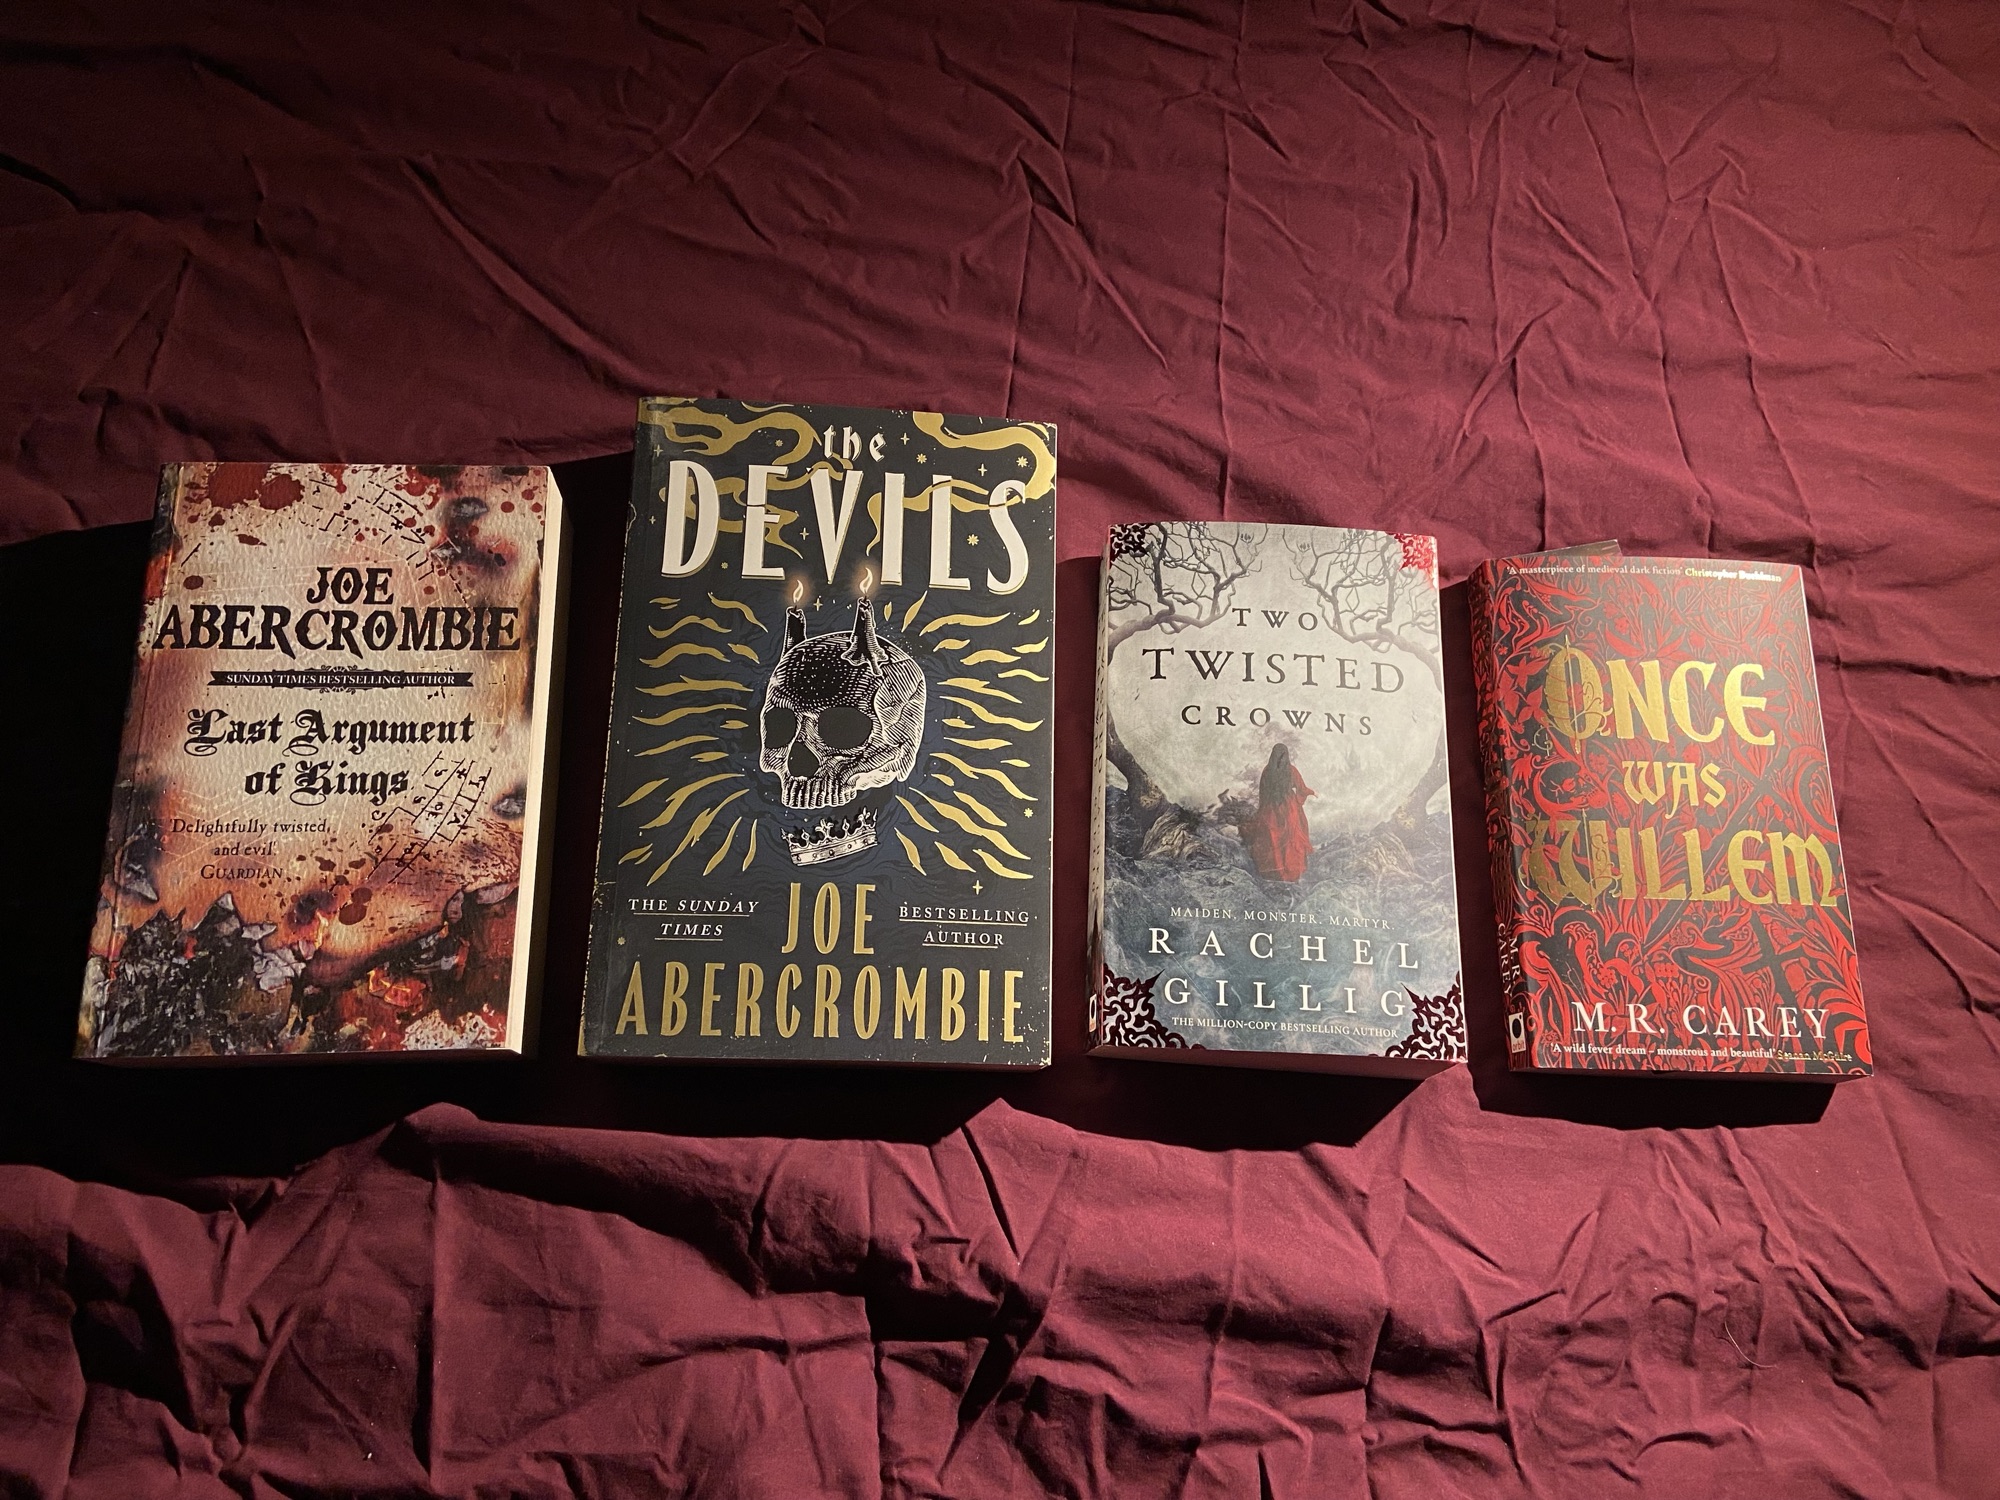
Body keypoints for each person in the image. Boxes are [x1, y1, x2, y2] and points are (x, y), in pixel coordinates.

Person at [1241, 743, 1314, 881]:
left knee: (1273, 838)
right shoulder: (1291, 770)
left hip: (1271, 808)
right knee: (1291, 838)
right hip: (1289, 808)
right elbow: (1301, 789)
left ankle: (1276, 872)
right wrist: (1310, 792)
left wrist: (1263, 808)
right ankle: (1291, 873)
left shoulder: (1267, 771)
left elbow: (1263, 792)